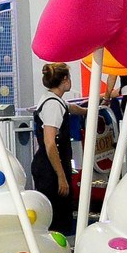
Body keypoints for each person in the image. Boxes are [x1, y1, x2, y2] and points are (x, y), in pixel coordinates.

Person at [31, 62, 79, 233]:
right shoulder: (53, 105)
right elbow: (50, 143)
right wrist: (61, 177)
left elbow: (71, 108)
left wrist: (90, 110)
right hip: (50, 169)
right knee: (56, 219)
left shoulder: (51, 99)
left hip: (47, 165)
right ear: (65, 79)